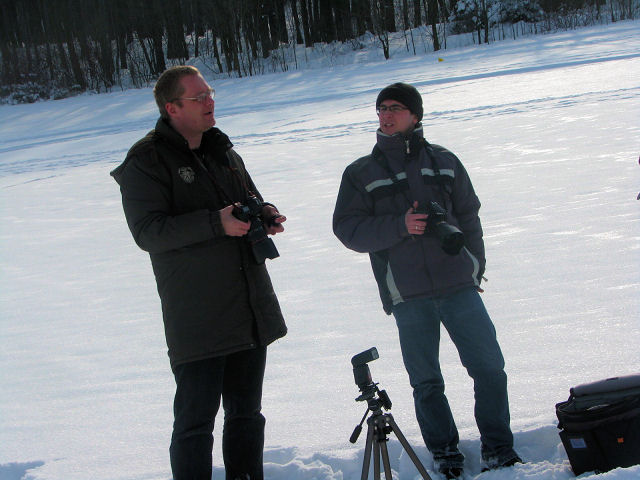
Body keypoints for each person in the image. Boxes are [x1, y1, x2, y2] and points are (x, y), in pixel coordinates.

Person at [333, 83, 521, 479]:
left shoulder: (445, 161)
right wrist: (400, 225)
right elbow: (348, 230)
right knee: (427, 382)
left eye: (395, 108)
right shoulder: (361, 173)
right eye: (381, 109)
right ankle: (445, 453)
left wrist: (474, 266)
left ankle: (499, 450)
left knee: (490, 369)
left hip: (459, 285)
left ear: (415, 115)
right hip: (408, 293)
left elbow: (469, 217)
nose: (386, 115)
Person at [110, 65, 287, 480]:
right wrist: (215, 223)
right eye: (199, 97)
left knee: (247, 415)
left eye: (210, 93)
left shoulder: (221, 149)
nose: (210, 102)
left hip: (247, 304)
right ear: (172, 108)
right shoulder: (147, 160)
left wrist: (263, 212)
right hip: (197, 315)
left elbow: (247, 195)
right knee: (195, 423)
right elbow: (148, 232)